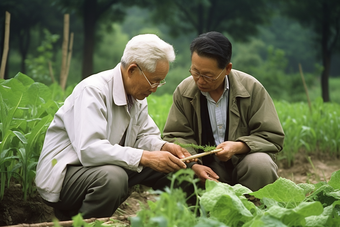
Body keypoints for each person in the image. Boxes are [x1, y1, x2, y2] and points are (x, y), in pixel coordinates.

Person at [35, 34, 192, 220]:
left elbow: (144, 136)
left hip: (102, 169)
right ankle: (81, 222)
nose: (155, 88)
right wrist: (145, 157)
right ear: (132, 70)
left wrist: (164, 147)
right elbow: (89, 149)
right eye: (153, 81)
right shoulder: (93, 91)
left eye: (160, 81)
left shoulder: (137, 96)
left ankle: (183, 220)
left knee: (174, 164)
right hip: (66, 174)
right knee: (114, 178)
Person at [163, 31, 285, 192]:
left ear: (227, 69)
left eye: (208, 75)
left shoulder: (252, 88)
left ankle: (254, 209)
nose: (199, 80)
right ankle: (198, 213)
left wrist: (238, 147)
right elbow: (176, 136)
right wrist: (193, 165)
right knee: (175, 170)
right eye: (195, 72)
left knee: (261, 164)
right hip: (205, 166)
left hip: (245, 162)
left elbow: (271, 136)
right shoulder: (184, 91)